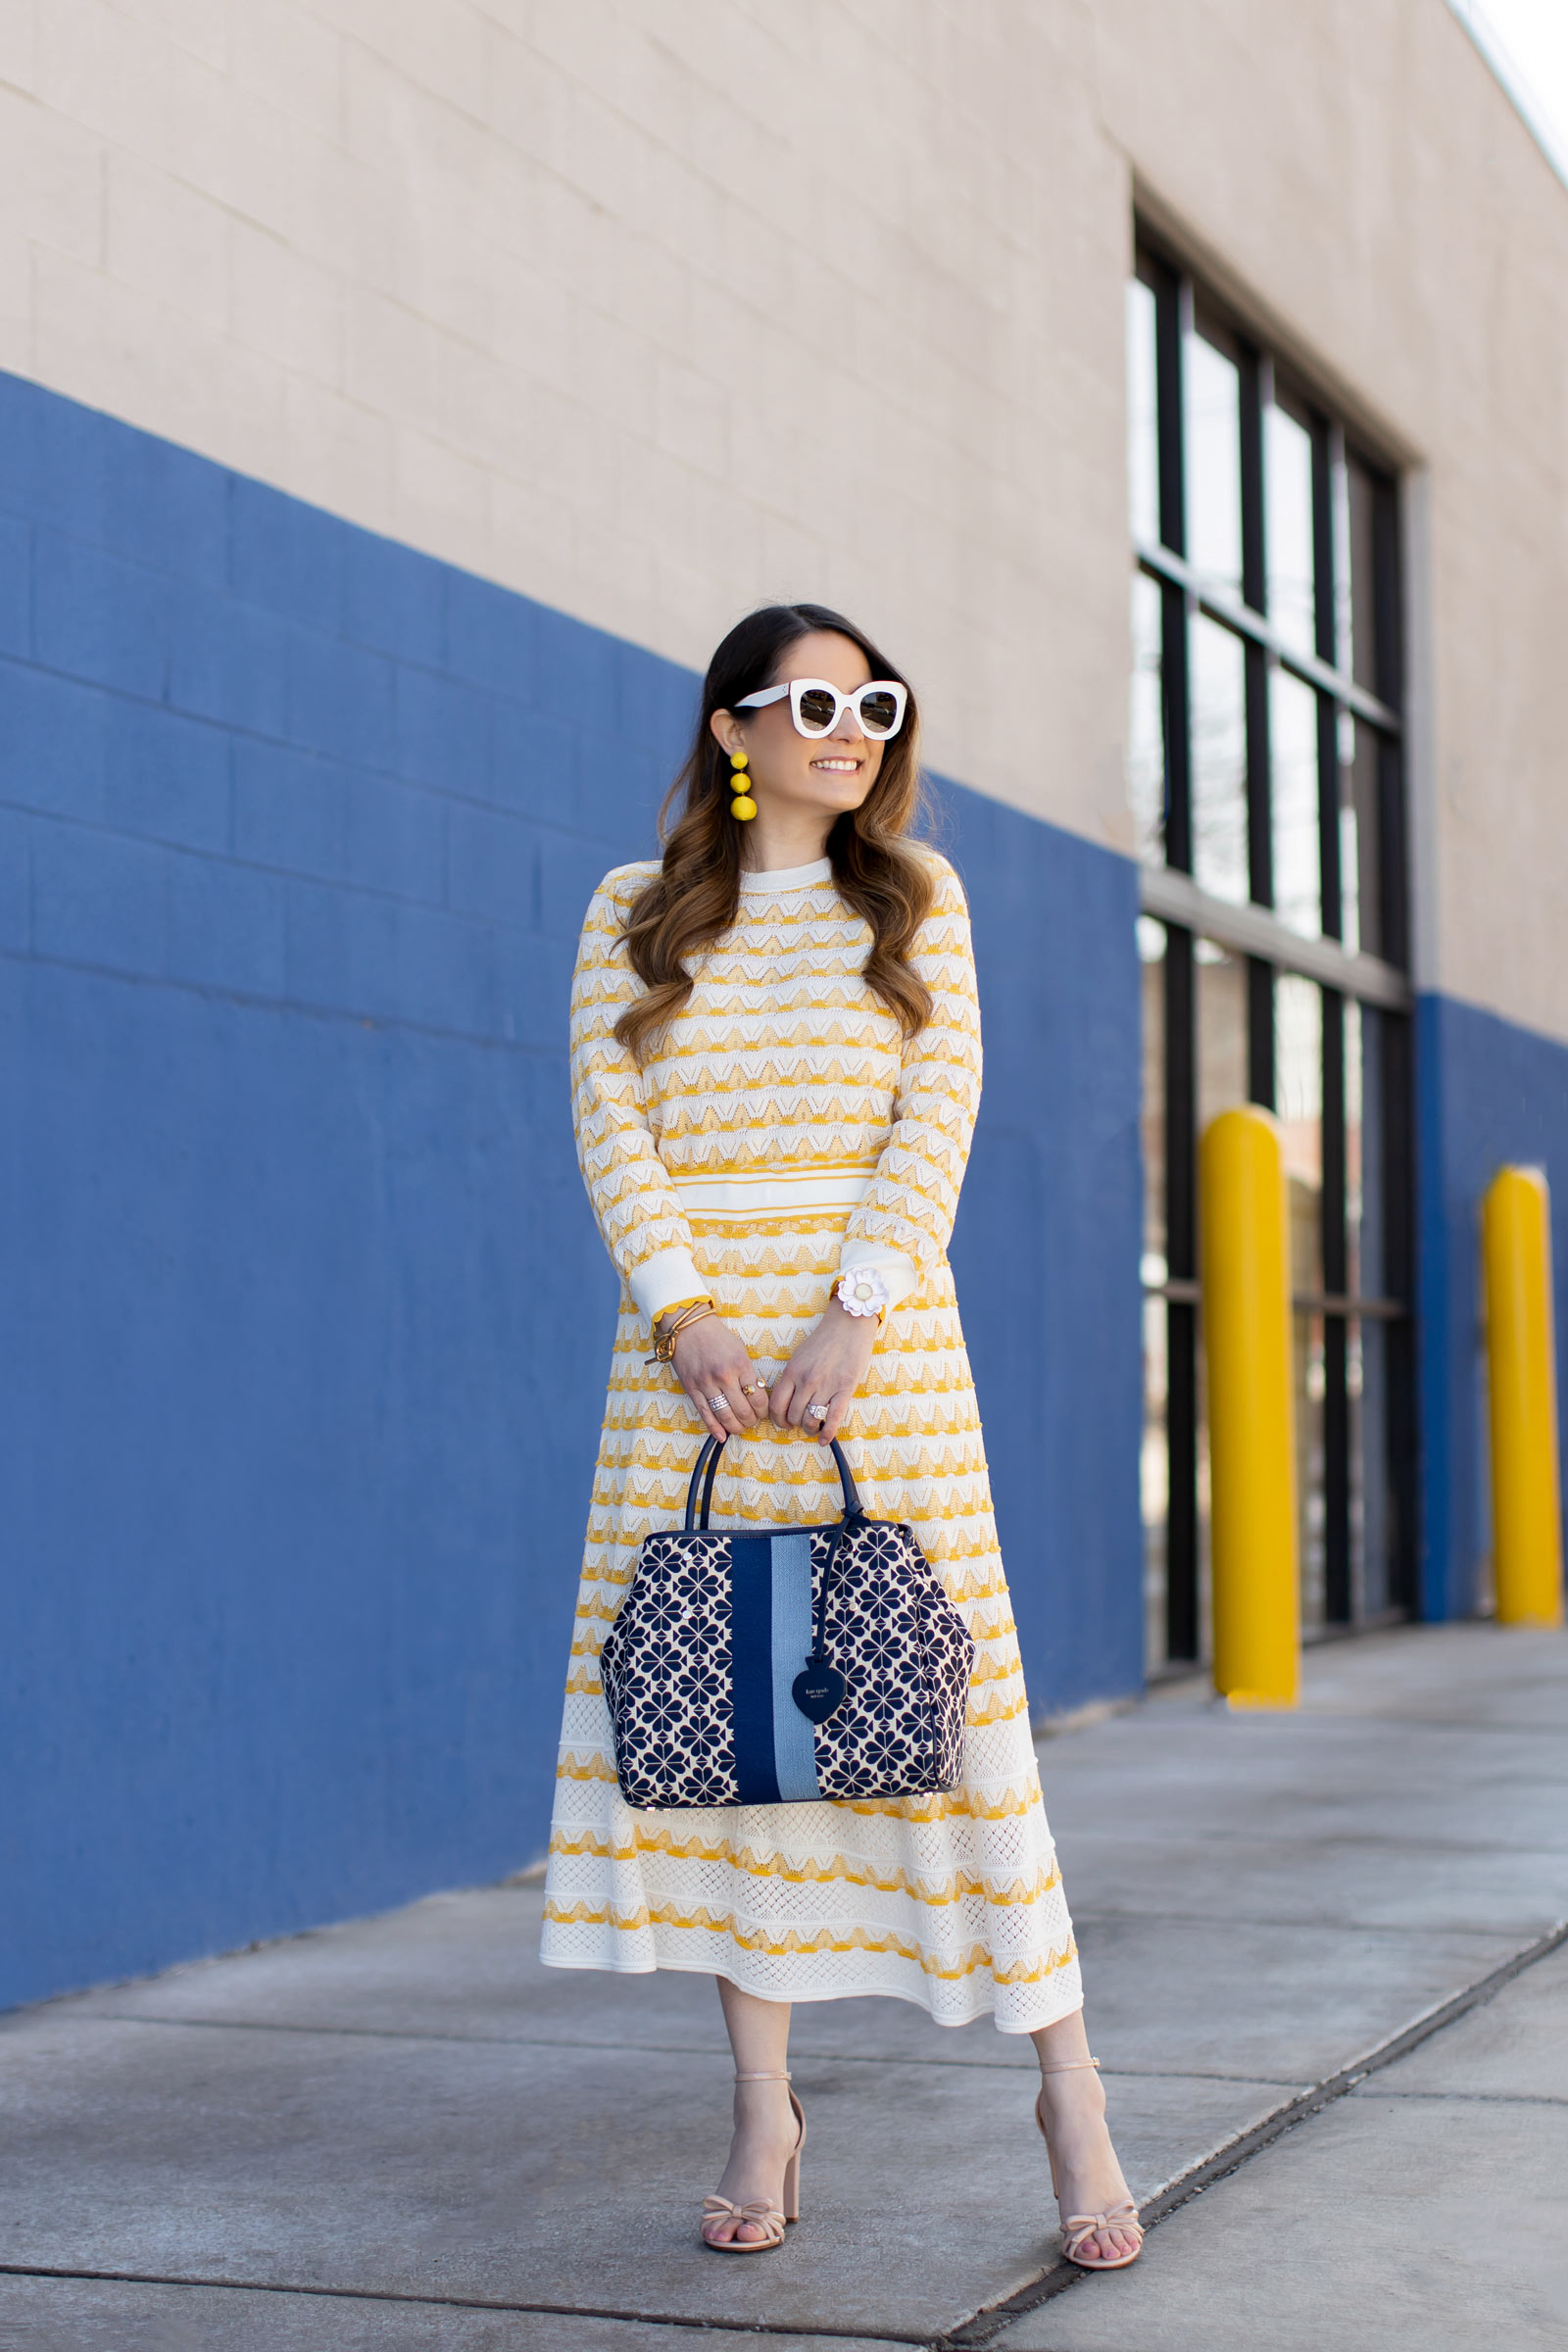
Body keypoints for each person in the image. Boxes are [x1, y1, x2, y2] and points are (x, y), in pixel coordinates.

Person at [540, 603, 1142, 2269]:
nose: (850, 724)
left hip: (882, 1351)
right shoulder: (630, 916)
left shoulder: (921, 901)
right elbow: (610, 1120)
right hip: (694, 1366)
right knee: (731, 1715)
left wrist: (855, 1306)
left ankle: (1070, 2096)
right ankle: (762, 2105)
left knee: (956, 1715)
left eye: (874, 700)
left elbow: (933, 1116)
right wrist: (686, 1311)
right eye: (811, 700)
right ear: (731, 730)